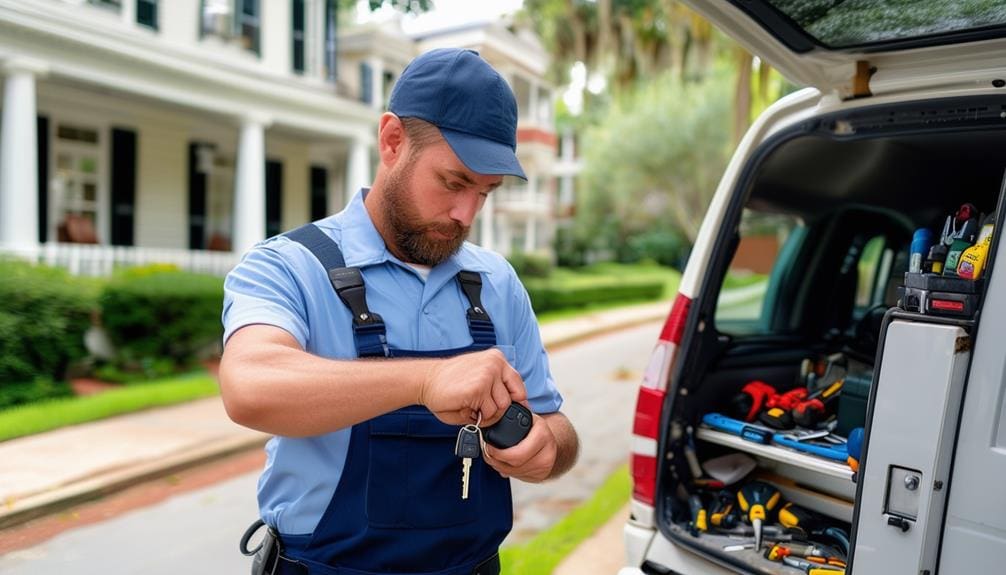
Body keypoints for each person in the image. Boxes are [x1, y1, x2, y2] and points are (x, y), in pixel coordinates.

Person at [219, 48, 579, 575]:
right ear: (392, 142)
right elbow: (250, 386)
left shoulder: (498, 283)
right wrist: (428, 381)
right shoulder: (288, 265)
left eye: (485, 193)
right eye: (454, 182)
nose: (465, 214)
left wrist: (548, 448)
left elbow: (556, 426)